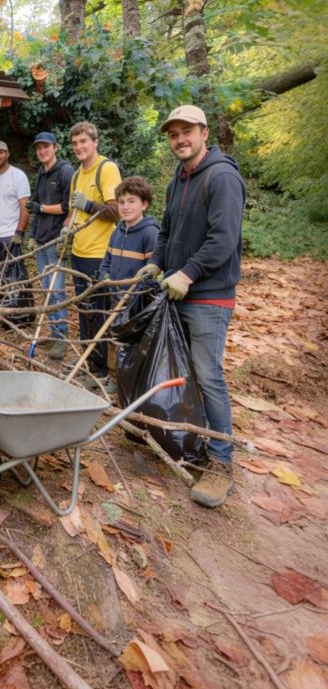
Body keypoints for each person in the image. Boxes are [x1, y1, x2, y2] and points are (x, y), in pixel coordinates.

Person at [137, 105, 246, 508]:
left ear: (203, 132)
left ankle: (221, 463)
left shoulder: (222, 178)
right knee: (180, 372)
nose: (179, 139)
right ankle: (187, 439)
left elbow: (224, 239)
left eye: (187, 132)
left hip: (208, 296)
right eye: (173, 134)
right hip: (176, 290)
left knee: (208, 374)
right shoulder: (176, 181)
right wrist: (158, 262)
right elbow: (166, 231)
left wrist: (188, 273)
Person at [64, 121, 121, 390]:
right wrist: (66, 230)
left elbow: (116, 211)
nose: (79, 147)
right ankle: (90, 367)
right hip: (78, 253)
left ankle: (104, 374)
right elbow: (73, 213)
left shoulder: (106, 169)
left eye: (83, 142)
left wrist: (87, 204)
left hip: (99, 256)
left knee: (99, 314)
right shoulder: (76, 175)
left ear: (95, 142)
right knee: (84, 313)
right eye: (75, 143)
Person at [98, 176, 160, 376]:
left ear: (144, 204)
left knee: (130, 342)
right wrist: (105, 276)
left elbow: (153, 272)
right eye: (121, 202)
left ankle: (127, 380)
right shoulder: (117, 232)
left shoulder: (150, 233)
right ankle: (112, 377)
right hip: (115, 296)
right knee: (112, 338)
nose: (125, 207)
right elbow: (106, 261)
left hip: (135, 303)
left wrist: (137, 292)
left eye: (131, 201)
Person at [27, 132, 74, 359]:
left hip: (56, 241)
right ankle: (54, 333)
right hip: (42, 240)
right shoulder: (41, 173)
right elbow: (36, 205)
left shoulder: (65, 172)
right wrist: (32, 235)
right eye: (39, 148)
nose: (42, 151)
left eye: (46, 147)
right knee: (46, 290)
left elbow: (67, 207)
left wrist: (42, 209)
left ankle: (62, 339)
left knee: (56, 292)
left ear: (55, 147)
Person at [0, 141, 31, 308]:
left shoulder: (18, 176)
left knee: (15, 276)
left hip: (11, 235)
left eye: (0, 152)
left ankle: (18, 311)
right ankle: (3, 308)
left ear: (7, 154)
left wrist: (20, 232)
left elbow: (25, 207)